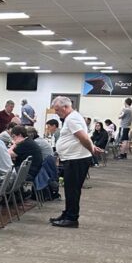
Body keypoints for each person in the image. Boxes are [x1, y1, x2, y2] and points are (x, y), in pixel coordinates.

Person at [51, 96, 101, 228]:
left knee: (72, 190)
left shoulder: (72, 118)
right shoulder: (72, 117)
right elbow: (84, 137)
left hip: (76, 159)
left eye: (57, 110)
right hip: (73, 158)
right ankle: (67, 213)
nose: (56, 112)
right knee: (70, 189)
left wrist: (91, 149)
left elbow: (83, 137)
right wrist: (92, 147)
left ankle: (72, 218)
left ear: (65, 107)